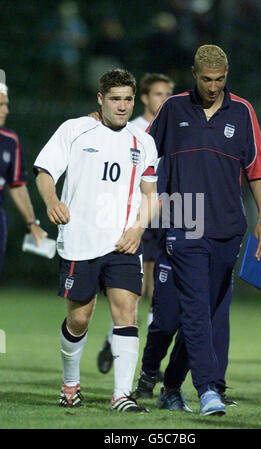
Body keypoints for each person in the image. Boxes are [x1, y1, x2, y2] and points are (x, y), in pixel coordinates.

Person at [135, 44, 261, 416]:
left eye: (221, 79)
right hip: (184, 222)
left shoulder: (243, 112)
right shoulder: (173, 108)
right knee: (194, 309)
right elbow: (143, 151)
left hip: (229, 228)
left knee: (208, 313)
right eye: (208, 79)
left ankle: (171, 386)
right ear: (194, 74)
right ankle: (209, 389)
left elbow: (257, 169)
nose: (214, 87)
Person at [33, 69, 158, 412]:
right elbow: (45, 172)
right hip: (80, 240)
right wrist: (52, 201)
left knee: (127, 313)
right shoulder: (75, 129)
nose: (122, 106)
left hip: (123, 243)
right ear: (100, 99)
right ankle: (70, 383)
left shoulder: (143, 142)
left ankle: (122, 395)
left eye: (128, 99)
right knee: (80, 319)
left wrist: (137, 229)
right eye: (115, 99)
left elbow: (151, 195)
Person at [96, 73, 174, 377]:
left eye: (168, 93)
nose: (164, 99)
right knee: (136, 289)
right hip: (135, 219)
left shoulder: (173, 129)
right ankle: (114, 339)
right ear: (144, 98)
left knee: (160, 288)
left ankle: (144, 360)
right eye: (158, 94)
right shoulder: (134, 130)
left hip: (167, 215)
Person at [0, 79, 46, 272]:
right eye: (1, 105)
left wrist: (32, 223)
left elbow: (17, 185)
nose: (6, 110)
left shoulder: (9, 140)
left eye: (6, 105)